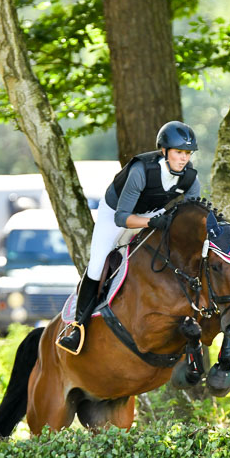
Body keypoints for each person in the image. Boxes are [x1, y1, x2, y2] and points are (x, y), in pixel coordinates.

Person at [57, 121, 201, 355]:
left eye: (187, 153)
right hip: (115, 212)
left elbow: (191, 212)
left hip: (153, 213)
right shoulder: (141, 170)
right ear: (164, 151)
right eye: (178, 153)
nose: (184, 159)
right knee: (97, 263)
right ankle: (77, 328)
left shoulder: (189, 178)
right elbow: (122, 219)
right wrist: (151, 222)